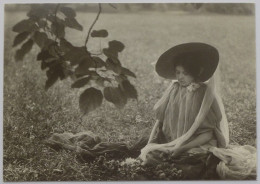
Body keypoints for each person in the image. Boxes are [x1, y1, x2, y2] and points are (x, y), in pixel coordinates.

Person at [139, 42, 229, 164]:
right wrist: (156, 142)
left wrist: (182, 148)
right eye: (178, 72)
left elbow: (207, 134)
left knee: (191, 162)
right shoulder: (175, 89)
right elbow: (161, 123)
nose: (180, 77)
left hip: (196, 143)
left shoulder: (202, 94)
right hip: (174, 140)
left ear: (196, 72)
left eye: (185, 73)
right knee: (153, 156)